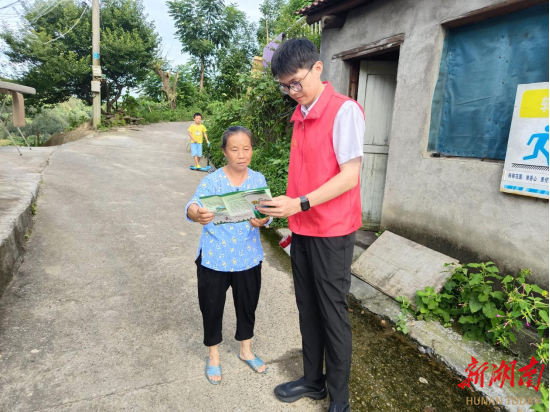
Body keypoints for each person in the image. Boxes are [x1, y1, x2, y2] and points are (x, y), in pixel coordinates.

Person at [258, 38, 365, 412]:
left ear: (317, 68)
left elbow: (349, 176)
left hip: (333, 231)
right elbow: (304, 177)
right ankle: (313, 381)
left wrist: (299, 204)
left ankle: (340, 399)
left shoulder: (344, 111)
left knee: (332, 313)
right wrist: (277, 209)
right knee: (307, 308)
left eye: (296, 83)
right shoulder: (300, 116)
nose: (291, 92)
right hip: (302, 229)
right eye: (284, 86)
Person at [185, 125, 272, 385]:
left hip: (247, 256)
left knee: (247, 306)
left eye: (246, 148)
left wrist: (264, 220)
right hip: (215, 257)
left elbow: (265, 212)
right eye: (235, 149)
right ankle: (213, 356)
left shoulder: (258, 179)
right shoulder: (212, 180)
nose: (241, 154)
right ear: (225, 152)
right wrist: (196, 213)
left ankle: (246, 350)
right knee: (211, 308)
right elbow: (191, 205)